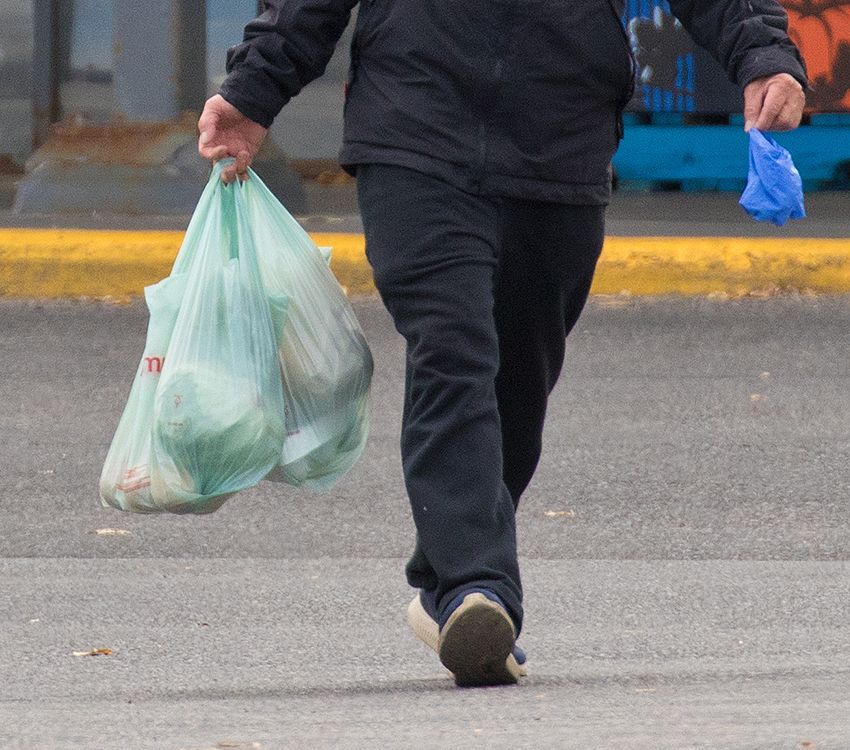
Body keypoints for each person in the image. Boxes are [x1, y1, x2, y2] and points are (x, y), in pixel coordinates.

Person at [198, 0, 807, 688]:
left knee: (517, 386)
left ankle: (446, 581)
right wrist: (252, 91)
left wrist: (763, 56)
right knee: (452, 352)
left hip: (560, 145)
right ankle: (475, 588)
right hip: (414, 135)